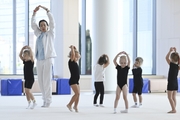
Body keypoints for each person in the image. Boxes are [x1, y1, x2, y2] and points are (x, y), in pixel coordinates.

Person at [31, 5, 57, 107]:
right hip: (40, 60)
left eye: (44, 25)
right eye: (41, 25)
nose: (42, 27)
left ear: (47, 26)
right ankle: (44, 99)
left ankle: (48, 100)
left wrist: (47, 11)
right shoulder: (38, 34)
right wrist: (34, 13)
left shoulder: (50, 34)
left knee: (47, 80)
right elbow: (33, 25)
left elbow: (52, 22)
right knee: (41, 81)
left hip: (48, 59)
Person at [67, 45, 81, 112]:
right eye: (76, 56)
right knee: (76, 93)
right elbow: (73, 55)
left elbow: (79, 55)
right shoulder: (71, 61)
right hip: (73, 80)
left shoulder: (75, 62)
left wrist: (76, 50)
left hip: (77, 80)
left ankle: (75, 106)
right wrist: (72, 48)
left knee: (78, 94)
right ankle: (69, 104)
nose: (78, 58)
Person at [165, 47, 180, 113]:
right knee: (174, 96)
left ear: (171, 58)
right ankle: (173, 108)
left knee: (169, 97)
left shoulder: (171, 64)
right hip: (176, 82)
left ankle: (173, 109)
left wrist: (170, 51)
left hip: (171, 82)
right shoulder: (178, 66)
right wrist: (175, 53)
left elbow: (166, 58)